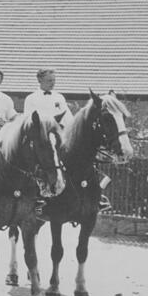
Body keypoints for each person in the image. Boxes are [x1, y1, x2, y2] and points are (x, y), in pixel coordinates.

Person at [23, 68, 111, 212]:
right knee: (40, 161)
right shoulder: (31, 99)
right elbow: (29, 121)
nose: (52, 83)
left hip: (59, 136)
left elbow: (69, 119)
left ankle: (95, 194)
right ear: (39, 80)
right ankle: (38, 196)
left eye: (54, 80)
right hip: (42, 138)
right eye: (49, 80)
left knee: (82, 156)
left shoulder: (59, 97)